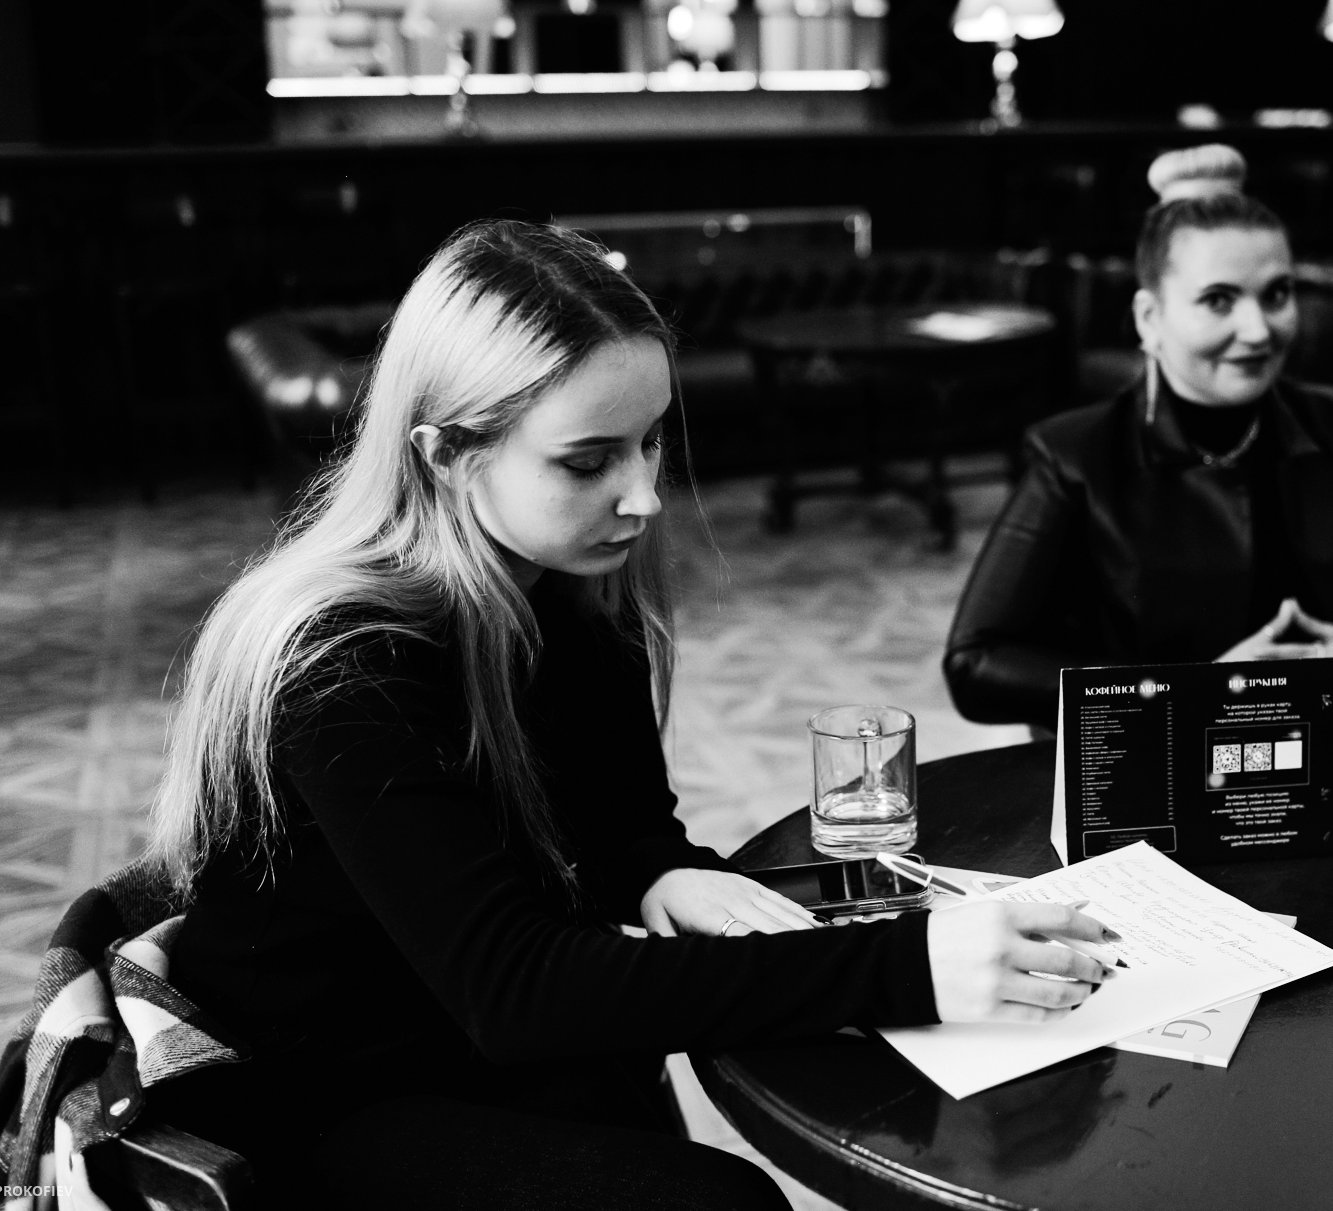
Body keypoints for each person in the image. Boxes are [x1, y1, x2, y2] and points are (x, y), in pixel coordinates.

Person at [143, 221, 1111, 1210]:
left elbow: (624, 826)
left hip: (459, 1028)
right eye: (588, 460)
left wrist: (660, 868)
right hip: (314, 1086)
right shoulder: (344, 662)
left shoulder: (577, 588)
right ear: (446, 455)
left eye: (650, 441)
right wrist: (914, 965)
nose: (644, 496)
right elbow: (517, 988)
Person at [944, 144, 1333, 730]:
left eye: (1276, 295)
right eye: (1218, 300)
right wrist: (1194, 692)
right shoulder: (1076, 455)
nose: (1258, 331)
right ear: (1150, 318)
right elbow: (976, 664)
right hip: (1167, 764)